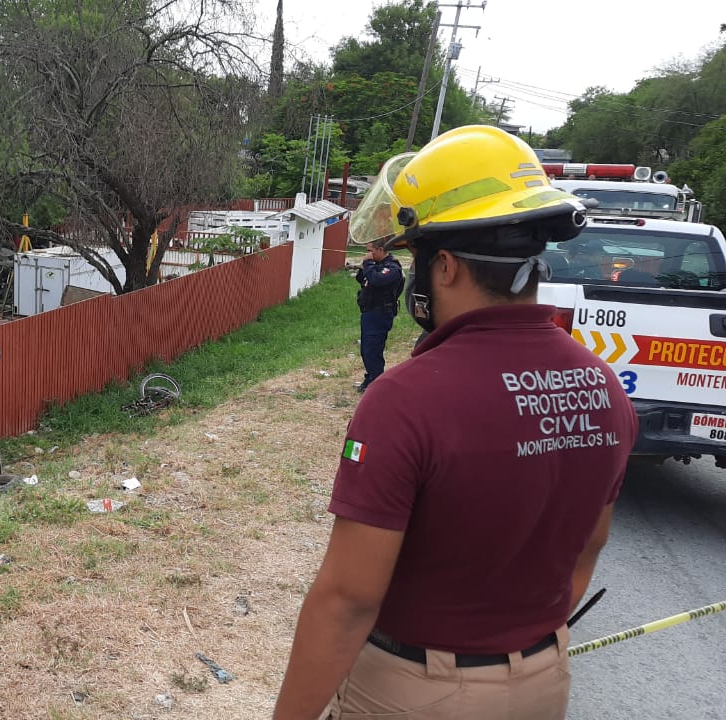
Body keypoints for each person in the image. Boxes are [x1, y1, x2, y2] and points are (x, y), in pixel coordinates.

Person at [272, 126, 638, 720]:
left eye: (416, 255)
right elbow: (585, 553)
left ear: (443, 267)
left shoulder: (406, 400)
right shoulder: (605, 388)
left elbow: (347, 600)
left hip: (416, 691)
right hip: (543, 684)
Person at [355, 244, 404, 392]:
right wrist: (363, 267)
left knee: (373, 349)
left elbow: (377, 280)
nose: (368, 254)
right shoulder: (376, 266)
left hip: (381, 313)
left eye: (371, 251)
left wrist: (368, 264)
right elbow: (362, 279)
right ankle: (370, 377)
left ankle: (376, 383)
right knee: (366, 349)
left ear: (381, 249)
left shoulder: (392, 268)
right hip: (369, 311)